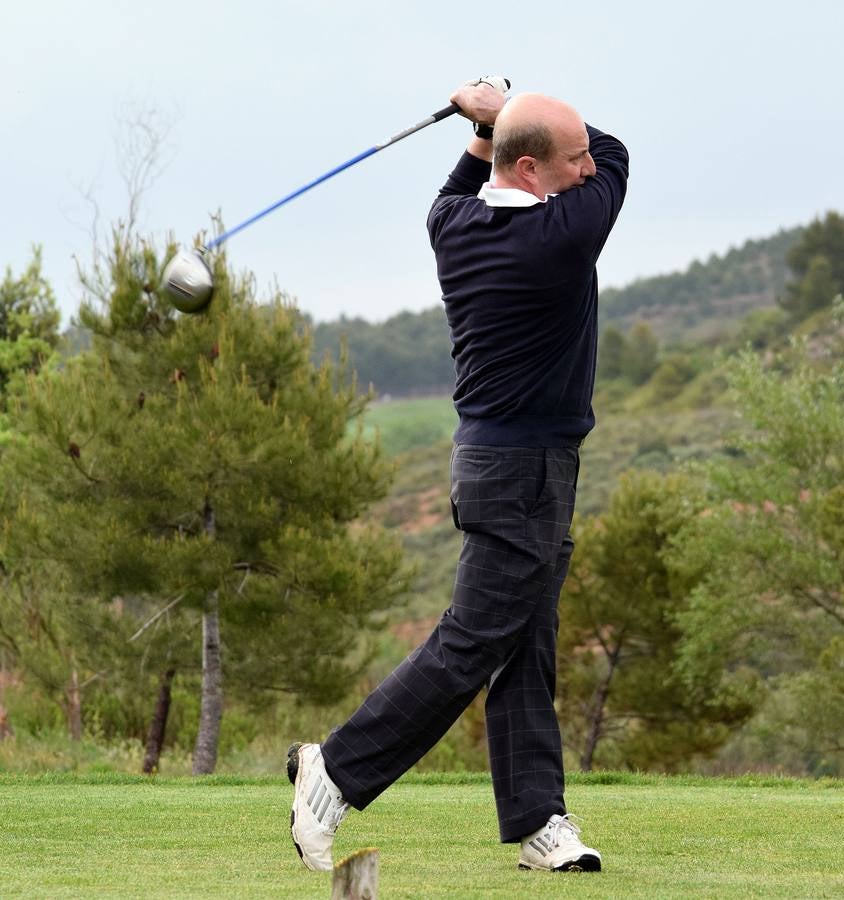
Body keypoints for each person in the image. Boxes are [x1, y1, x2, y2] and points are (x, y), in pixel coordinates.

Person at [288, 78, 629, 874]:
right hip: (523, 472)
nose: (587, 169)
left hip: (499, 462)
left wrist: (488, 122)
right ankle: (334, 771)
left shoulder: (451, 222)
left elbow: (466, 176)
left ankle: (539, 821)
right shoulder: (564, 235)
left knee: (524, 641)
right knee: (470, 644)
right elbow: (615, 153)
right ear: (534, 172)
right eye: (568, 159)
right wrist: (498, 106)